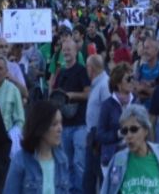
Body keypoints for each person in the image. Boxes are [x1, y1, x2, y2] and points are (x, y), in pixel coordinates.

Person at [101, 104, 159, 193]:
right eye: (124, 131)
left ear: (146, 130)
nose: (129, 135)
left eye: (134, 129)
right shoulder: (118, 161)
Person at [2, 100, 71, 194]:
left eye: (61, 123)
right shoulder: (21, 160)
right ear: (40, 127)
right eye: (54, 124)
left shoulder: (62, 160)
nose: (60, 129)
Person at [52, 38, 91, 193]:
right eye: (64, 49)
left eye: (69, 49)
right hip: (63, 125)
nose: (66, 52)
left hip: (80, 124)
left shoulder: (81, 70)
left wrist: (71, 95)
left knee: (79, 163)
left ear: (76, 51)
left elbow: (88, 94)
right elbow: (54, 92)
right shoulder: (60, 72)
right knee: (66, 163)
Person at [98, 62, 135, 177]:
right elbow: (100, 135)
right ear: (118, 84)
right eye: (128, 79)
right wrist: (118, 134)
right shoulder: (107, 105)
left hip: (133, 158)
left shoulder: (136, 102)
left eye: (132, 77)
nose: (132, 81)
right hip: (112, 158)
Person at [84, 54, 110, 193]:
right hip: (92, 135)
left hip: (98, 138)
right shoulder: (96, 84)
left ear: (91, 68)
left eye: (87, 67)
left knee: (97, 174)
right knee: (90, 175)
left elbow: (108, 111)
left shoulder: (105, 84)